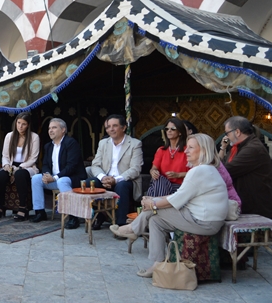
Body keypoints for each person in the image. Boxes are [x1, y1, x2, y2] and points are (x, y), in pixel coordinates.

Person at [111, 133, 229, 278]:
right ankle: (157, 263)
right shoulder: (205, 169)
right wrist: (154, 199)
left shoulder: (200, 171)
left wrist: (152, 203)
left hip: (204, 222)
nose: (186, 151)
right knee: (156, 221)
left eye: (191, 148)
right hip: (202, 219)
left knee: (155, 211)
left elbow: (176, 199)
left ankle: (133, 229)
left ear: (203, 150)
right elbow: (179, 196)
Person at [87, 114, 142, 229]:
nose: (110, 129)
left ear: (123, 127)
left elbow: (135, 169)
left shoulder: (135, 144)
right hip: (106, 179)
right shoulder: (103, 143)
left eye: (114, 126)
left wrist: (115, 180)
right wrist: (103, 177)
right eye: (108, 127)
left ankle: (121, 225)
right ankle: (100, 215)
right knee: (89, 183)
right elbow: (95, 165)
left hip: (125, 180)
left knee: (121, 186)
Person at [31, 118, 88, 224]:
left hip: (72, 178)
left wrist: (55, 177)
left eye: (54, 127)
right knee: (36, 179)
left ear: (63, 130)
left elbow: (71, 167)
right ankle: (40, 212)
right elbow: (45, 164)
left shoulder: (71, 143)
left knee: (62, 181)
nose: (50, 130)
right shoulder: (48, 146)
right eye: (49, 128)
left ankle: (73, 216)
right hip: (54, 179)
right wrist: (47, 175)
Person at [218, 116, 272, 219]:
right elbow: (222, 165)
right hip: (246, 203)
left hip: (255, 207)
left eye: (227, 133)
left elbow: (226, 171)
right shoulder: (237, 147)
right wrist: (223, 148)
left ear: (237, 132)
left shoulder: (253, 149)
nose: (226, 137)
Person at [0, 112, 40, 222]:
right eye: (18, 123)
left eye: (23, 124)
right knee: (0, 176)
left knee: (20, 174)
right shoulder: (9, 136)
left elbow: (33, 158)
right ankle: (1, 205)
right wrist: (7, 165)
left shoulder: (34, 137)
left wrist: (19, 167)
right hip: (11, 164)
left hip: (28, 166)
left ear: (28, 125)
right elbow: (5, 155)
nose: (20, 126)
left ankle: (23, 207)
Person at [147, 117, 189, 196]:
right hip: (162, 184)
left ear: (180, 132)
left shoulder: (187, 150)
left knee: (154, 188)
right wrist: (153, 172)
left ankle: (156, 205)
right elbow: (154, 168)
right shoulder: (161, 150)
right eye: (167, 129)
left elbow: (195, 172)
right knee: (159, 180)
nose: (169, 131)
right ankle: (160, 205)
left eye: (173, 129)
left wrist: (178, 175)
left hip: (181, 186)